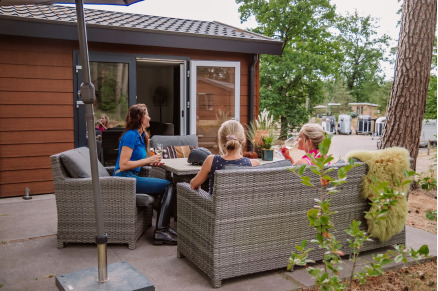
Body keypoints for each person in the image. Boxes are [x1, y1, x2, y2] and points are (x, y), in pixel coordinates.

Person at [113, 104, 176, 245]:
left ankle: (164, 228)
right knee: (169, 186)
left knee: (169, 184)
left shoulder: (141, 136)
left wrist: (150, 163)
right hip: (124, 178)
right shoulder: (130, 135)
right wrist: (148, 159)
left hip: (131, 176)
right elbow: (123, 165)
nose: (149, 117)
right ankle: (161, 231)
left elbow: (136, 160)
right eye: (147, 115)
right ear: (140, 119)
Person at [190, 119, 260, 194]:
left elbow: (193, 185)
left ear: (220, 141)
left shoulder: (211, 160)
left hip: (214, 205)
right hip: (244, 205)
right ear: (243, 140)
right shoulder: (254, 164)